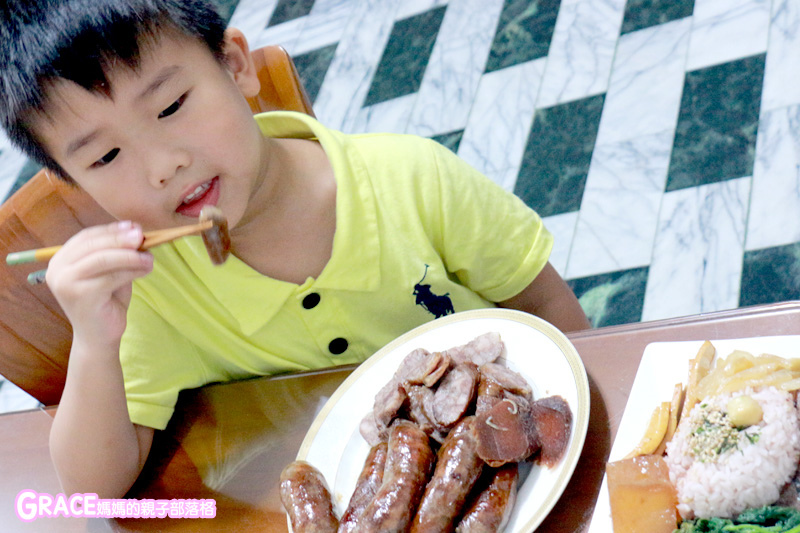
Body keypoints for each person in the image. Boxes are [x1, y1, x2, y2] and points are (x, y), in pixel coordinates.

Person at [0, 0, 590, 499]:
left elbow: (548, 308)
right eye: (105, 158)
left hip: (522, 463)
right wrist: (94, 339)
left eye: (172, 106)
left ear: (234, 67)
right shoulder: (152, 285)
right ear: (74, 184)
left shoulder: (411, 179)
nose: (163, 166)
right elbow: (93, 488)